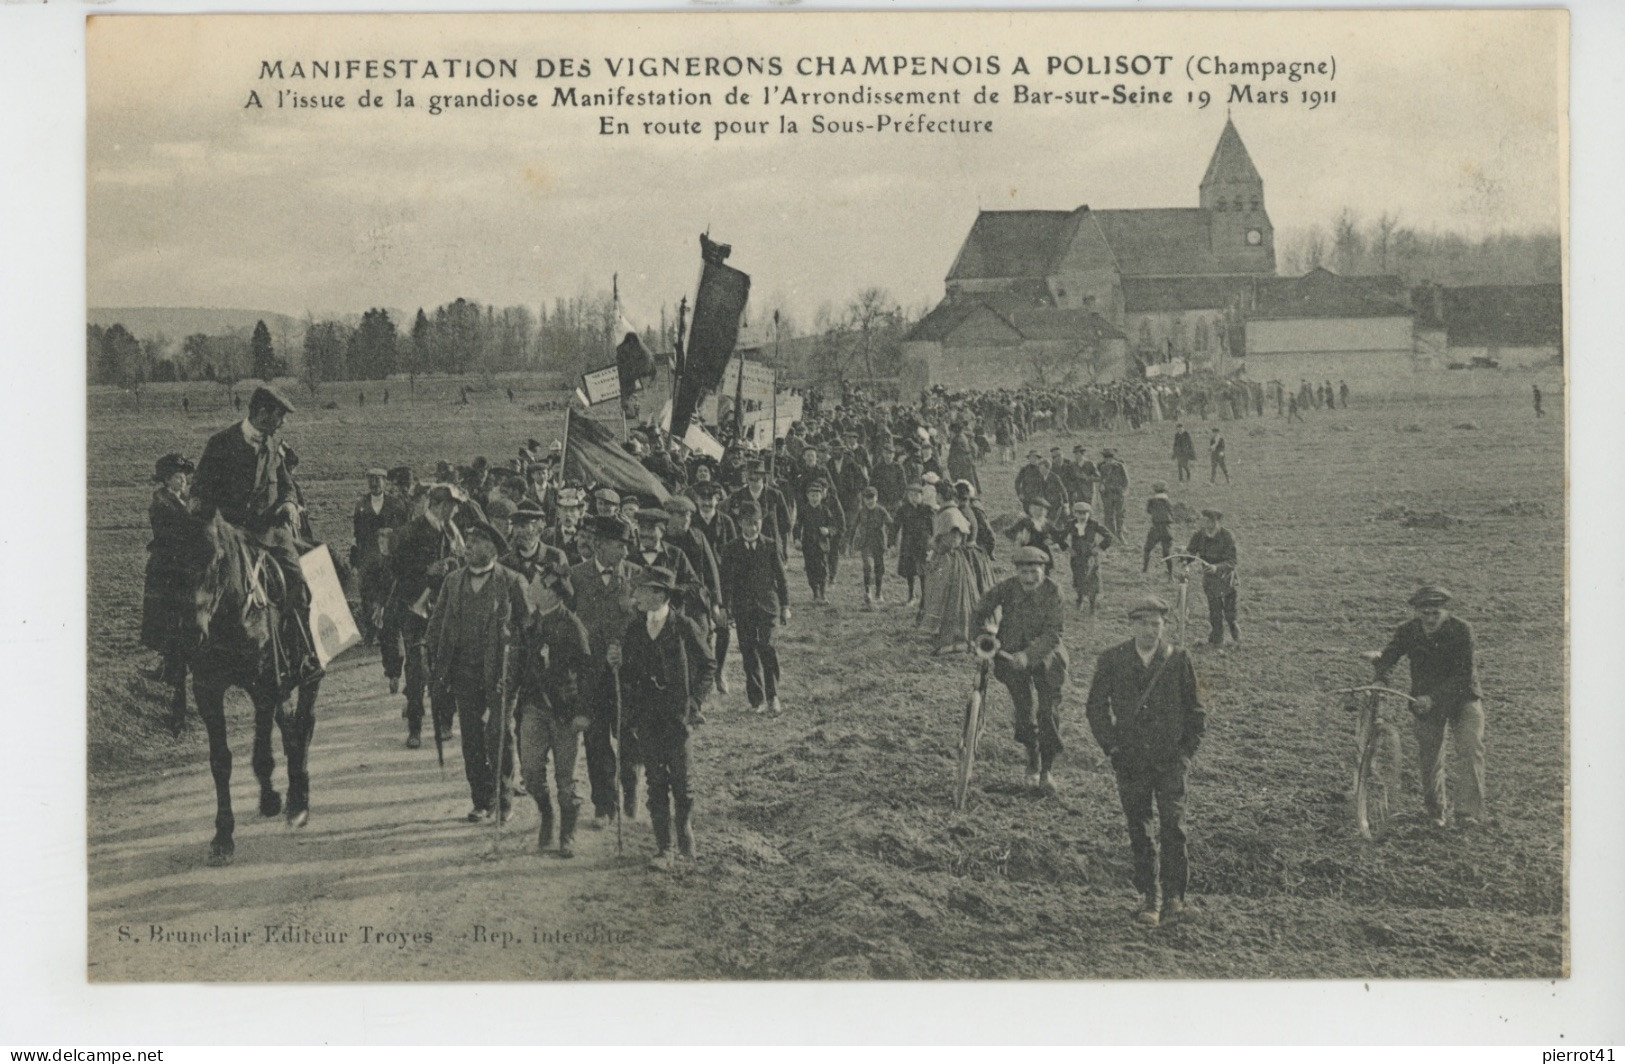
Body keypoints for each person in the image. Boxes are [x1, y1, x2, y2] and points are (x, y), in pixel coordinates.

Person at [190, 383, 320, 692]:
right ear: (262, 414)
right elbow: (199, 491)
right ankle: (186, 655)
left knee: (297, 584)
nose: (283, 423)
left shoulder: (273, 443)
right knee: (199, 582)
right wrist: (215, 521)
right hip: (229, 533)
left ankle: (300, 657)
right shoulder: (220, 444)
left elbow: (285, 483)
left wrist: (288, 502)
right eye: (279, 416)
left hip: (270, 534)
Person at [1085, 596, 1205, 928]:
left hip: (1170, 761)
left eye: (1156, 624)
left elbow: (1196, 711)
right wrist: (1111, 748)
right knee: (1139, 829)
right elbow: (1095, 707)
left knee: (1173, 828)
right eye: (1143, 623)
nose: (1150, 630)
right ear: (1131, 626)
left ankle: (1174, 899)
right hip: (1131, 760)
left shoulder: (1178, 659)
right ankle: (1148, 898)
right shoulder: (1113, 659)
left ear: (1164, 626)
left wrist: (1185, 754)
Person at [607, 566, 714, 866]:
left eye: (640, 590)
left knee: (682, 781)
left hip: (677, 717)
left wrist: (694, 704)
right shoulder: (634, 630)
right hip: (647, 718)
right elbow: (626, 675)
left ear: (658, 594)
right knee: (655, 782)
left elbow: (709, 665)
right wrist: (616, 662)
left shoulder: (684, 626)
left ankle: (684, 832)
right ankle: (664, 846)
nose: (634, 595)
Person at [426, 520, 526, 824]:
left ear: (493, 548)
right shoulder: (453, 581)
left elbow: (526, 631)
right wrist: (435, 664)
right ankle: (482, 801)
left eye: (477, 542)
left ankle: (504, 797)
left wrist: (514, 673)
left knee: (498, 734)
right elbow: (436, 626)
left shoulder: (511, 582)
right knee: (471, 738)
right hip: (463, 673)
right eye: (467, 542)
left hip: (499, 674)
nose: (468, 547)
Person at [1371, 586, 1486, 828]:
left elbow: (1463, 675)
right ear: (1416, 612)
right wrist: (1382, 677)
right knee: (1429, 755)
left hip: (1463, 697)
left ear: (1446, 611)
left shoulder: (1462, 631)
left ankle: (1467, 814)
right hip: (1425, 703)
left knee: (1470, 748)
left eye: (1436, 613)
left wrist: (1433, 698)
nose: (1431, 619)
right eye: (1425, 613)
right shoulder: (1407, 631)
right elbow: (1389, 657)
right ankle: (1436, 812)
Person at [971, 546, 1070, 794]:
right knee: (1024, 713)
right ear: (1017, 572)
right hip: (1010, 655)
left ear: (1043, 570)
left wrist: (1029, 655)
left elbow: (1053, 633)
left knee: (1047, 713)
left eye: (1034, 571)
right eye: (1023, 572)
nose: (1028, 578)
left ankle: (1046, 769)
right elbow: (979, 611)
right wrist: (982, 638)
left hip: (1046, 657)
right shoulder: (1007, 588)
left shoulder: (1053, 592)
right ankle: (1032, 760)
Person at [570, 514, 645, 826]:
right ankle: (604, 805)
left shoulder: (637, 576)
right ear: (599, 545)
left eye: (627, 545)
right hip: (590, 675)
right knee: (596, 741)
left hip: (626, 675)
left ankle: (630, 786)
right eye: (618, 545)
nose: (625, 552)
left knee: (630, 738)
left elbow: (646, 624)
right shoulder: (575, 576)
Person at [514, 559, 591, 856]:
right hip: (533, 707)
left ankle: (567, 832)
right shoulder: (530, 623)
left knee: (565, 780)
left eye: (537, 581)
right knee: (531, 773)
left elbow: (587, 671)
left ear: (551, 592)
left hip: (564, 712)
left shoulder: (572, 625)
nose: (531, 585)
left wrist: (583, 711)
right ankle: (546, 814)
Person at [388, 484, 466, 747]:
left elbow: (461, 561)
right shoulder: (411, 532)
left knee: (448, 664)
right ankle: (415, 726)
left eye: (454, 506)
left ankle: (445, 720)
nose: (453, 510)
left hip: (444, 607)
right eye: (450, 505)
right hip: (414, 607)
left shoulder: (452, 531)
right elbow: (397, 568)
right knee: (416, 668)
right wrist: (426, 570)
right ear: (436, 504)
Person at [717, 500, 792, 715]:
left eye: (756, 523)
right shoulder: (731, 549)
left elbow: (781, 578)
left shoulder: (770, 545)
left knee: (767, 647)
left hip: (769, 606)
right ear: (740, 523)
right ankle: (756, 699)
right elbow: (726, 582)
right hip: (743, 608)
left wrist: (785, 605)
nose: (752, 528)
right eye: (747, 523)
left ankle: (773, 696)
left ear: (761, 522)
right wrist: (726, 607)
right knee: (748, 652)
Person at [139, 452, 196, 732]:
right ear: (166, 479)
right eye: (177, 476)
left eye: (184, 476)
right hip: (169, 569)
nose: (182, 480)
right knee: (173, 622)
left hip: (180, 564)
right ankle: (170, 666)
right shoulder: (162, 503)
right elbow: (180, 532)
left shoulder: (179, 501)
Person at [917, 504, 994, 655]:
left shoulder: (950, 516)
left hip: (950, 563)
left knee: (950, 597)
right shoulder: (953, 514)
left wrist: (935, 547)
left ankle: (954, 639)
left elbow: (951, 542)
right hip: (953, 561)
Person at [352, 468, 410, 648]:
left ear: (385, 482)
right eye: (371, 479)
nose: (375, 483)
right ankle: (370, 633)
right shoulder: (361, 504)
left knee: (387, 591)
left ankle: (388, 631)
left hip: (388, 557)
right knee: (367, 593)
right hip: (368, 557)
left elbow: (402, 530)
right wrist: (355, 558)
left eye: (378, 480)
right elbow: (356, 532)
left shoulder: (395, 504)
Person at [1184, 508, 1239, 646]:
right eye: (1205, 520)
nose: (1207, 524)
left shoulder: (1227, 536)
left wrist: (1217, 567)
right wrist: (1185, 560)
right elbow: (1191, 552)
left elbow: (1232, 561)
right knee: (1214, 610)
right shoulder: (1198, 536)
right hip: (1210, 579)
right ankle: (1217, 639)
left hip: (1226, 578)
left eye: (1211, 521)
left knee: (1229, 613)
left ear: (1218, 522)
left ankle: (1233, 627)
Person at [794, 478, 841, 604]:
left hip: (822, 545)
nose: (814, 498)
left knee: (823, 568)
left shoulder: (825, 510)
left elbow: (834, 526)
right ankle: (815, 592)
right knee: (810, 568)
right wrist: (797, 539)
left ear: (821, 496)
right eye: (812, 495)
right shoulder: (803, 510)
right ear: (807, 496)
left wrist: (828, 531)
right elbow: (797, 526)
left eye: (817, 495)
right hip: (808, 544)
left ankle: (823, 593)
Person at [892, 479, 936, 606]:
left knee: (923, 573)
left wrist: (932, 544)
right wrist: (891, 543)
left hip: (923, 544)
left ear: (922, 496)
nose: (914, 498)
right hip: (908, 544)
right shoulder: (903, 510)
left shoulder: (927, 510)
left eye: (916, 495)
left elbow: (932, 528)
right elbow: (895, 526)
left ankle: (924, 597)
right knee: (910, 571)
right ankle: (911, 596)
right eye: (911, 495)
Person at [1066, 501, 1113, 613]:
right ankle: (1080, 599)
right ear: (1075, 514)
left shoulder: (1094, 524)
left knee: (1092, 579)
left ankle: (1092, 604)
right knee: (1078, 576)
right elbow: (1059, 536)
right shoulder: (1071, 524)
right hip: (1077, 556)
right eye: (1079, 513)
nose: (1082, 516)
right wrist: (1068, 549)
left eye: (1085, 513)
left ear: (1089, 514)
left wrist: (1098, 548)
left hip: (1090, 556)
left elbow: (1109, 536)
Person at [851, 485, 891, 608]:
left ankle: (879, 593)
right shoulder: (861, 511)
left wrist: (890, 542)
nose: (869, 501)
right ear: (863, 499)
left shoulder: (881, 510)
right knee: (867, 566)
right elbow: (853, 527)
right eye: (867, 498)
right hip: (865, 542)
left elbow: (891, 524)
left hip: (878, 542)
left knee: (879, 566)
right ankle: (867, 591)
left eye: (872, 498)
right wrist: (850, 543)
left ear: (876, 498)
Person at [1143, 481, 1174, 576]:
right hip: (1166, 528)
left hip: (1156, 528)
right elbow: (1172, 513)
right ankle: (1170, 575)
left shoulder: (1151, 501)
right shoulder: (1168, 501)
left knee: (1147, 549)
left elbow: (1149, 511)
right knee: (1167, 552)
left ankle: (1145, 570)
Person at [1097, 448, 1129, 539]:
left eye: (1109, 458)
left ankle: (1120, 534)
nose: (1107, 460)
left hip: (1119, 494)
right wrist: (1101, 488)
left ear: (1112, 458)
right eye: (1106, 458)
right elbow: (1101, 480)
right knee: (1108, 515)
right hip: (1108, 494)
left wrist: (1123, 492)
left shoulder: (1120, 466)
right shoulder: (1103, 467)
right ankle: (1111, 536)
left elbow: (1126, 481)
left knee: (1120, 515)